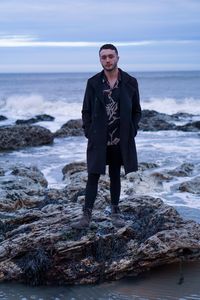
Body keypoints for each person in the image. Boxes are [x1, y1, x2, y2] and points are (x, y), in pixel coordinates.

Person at [72, 44, 141, 229]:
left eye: (111, 56)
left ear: (118, 57)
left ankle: (115, 212)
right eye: (104, 57)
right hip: (99, 138)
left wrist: (132, 130)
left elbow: (136, 111)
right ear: (100, 59)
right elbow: (86, 110)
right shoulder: (93, 82)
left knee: (115, 176)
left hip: (121, 138)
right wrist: (89, 132)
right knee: (93, 175)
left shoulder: (130, 81)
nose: (107, 60)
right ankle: (86, 216)